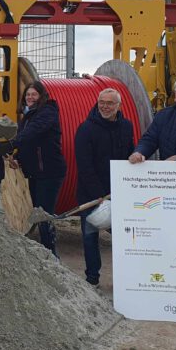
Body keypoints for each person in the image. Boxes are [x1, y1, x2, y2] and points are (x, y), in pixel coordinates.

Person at [74, 88, 134, 285]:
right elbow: (84, 166)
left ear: (119, 106)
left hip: (119, 193)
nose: (105, 106)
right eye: (102, 102)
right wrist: (99, 195)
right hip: (91, 196)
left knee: (124, 237)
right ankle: (92, 278)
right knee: (91, 238)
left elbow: (129, 157)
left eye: (110, 103)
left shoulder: (126, 127)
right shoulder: (86, 129)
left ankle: (127, 280)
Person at [12, 81, 66, 255]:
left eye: (34, 94)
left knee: (44, 214)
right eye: (27, 94)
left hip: (49, 172)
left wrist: (11, 143)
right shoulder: (28, 116)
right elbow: (27, 142)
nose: (30, 97)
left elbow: (32, 133)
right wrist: (16, 156)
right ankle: (42, 252)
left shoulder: (48, 112)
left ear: (42, 96)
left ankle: (51, 254)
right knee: (37, 211)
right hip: (35, 173)